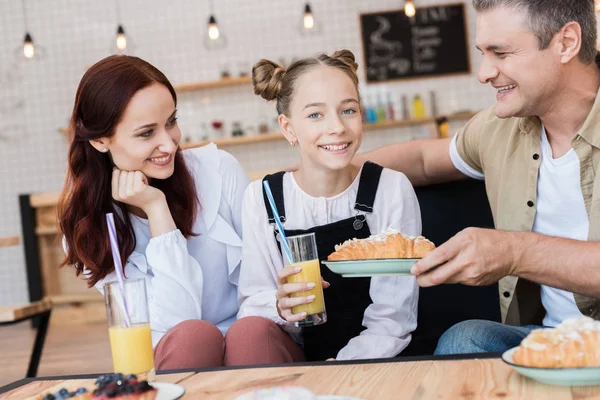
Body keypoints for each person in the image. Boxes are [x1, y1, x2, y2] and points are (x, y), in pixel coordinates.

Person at [354, 0, 600, 354]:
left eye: (500, 53)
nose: (484, 73)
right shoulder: (501, 128)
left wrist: (514, 252)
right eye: (483, 53)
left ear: (566, 43)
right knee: (462, 339)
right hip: (551, 339)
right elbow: (424, 159)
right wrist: (320, 174)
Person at [57, 54, 256, 369]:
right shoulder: (89, 228)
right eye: (146, 133)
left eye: (172, 122)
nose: (170, 143)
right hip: (177, 355)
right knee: (193, 336)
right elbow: (177, 325)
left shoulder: (219, 172)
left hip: (249, 344)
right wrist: (156, 209)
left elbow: (261, 286)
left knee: (253, 333)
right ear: (99, 140)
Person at [234, 50, 419, 363]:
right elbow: (252, 303)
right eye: (315, 115)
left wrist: (337, 372)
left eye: (348, 110)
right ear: (288, 127)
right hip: (298, 357)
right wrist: (280, 306)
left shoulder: (390, 189)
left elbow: (393, 319)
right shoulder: (262, 197)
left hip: (379, 357)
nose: (337, 127)